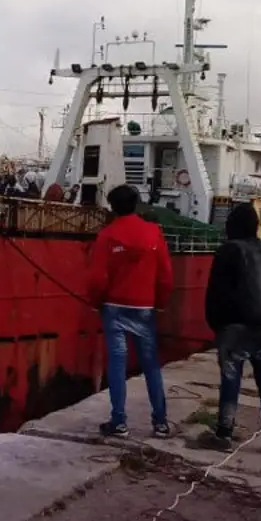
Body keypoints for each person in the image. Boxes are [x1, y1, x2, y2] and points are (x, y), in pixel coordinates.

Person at [88, 184, 173, 439]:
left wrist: (96, 302)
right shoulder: (153, 233)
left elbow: (97, 277)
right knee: (151, 365)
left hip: (114, 307)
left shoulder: (107, 235)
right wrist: (159, 303)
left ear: (112, 207)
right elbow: (166, 276)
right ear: (136, 204)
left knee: (117, 363)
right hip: (144, 306)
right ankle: (160, 423)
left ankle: (119, 422)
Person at [204, 202, 261, 456]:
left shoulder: (228, 251)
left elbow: (215, 294)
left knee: (231, 378)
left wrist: (217, 326)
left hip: (235, 327)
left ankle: (225, 433)